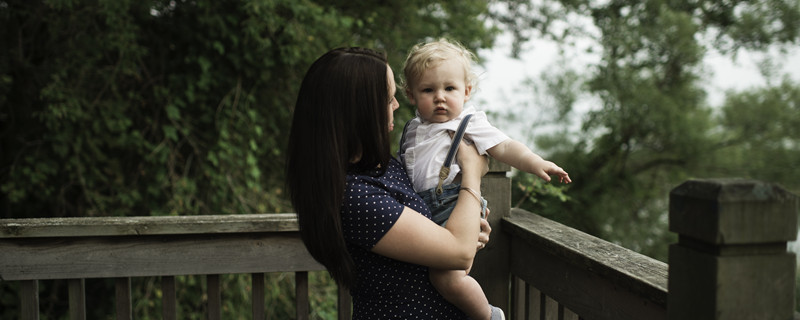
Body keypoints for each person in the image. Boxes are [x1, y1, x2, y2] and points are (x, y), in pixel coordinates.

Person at [286, 47, 499, 319]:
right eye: (388, 99)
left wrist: (466, 226)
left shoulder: (382, 166)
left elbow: (448, 239)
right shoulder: (355, 195)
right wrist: (472, 172)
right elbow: (458, 253)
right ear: (360, 111)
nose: (397, 106)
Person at [398, 38, 572, 320]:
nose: (440, 97)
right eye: (428, 90)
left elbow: (504, 147)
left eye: (449, 88)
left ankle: (489, 315)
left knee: (448, 279)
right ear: (411, 95)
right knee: (424, 277)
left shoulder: (468, 123)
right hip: (422, 211)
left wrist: (536, 163)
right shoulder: (412, 129)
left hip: (453, 207)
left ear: (466, 92)